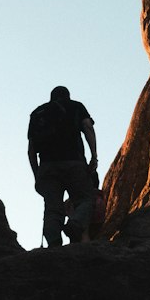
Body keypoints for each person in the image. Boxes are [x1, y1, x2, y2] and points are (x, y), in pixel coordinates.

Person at [27, 85, 98, 246]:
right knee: (85, 199)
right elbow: (87, 127)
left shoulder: (38, 113)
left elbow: (31, 149)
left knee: (53, 208)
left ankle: (53, 242)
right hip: (74, 163)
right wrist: (94, 156)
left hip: (47, 166)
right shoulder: (76, 106)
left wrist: (36, 174)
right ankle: (76, 224)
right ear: (68, 96)